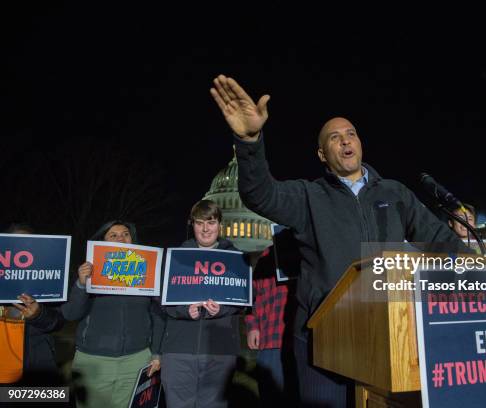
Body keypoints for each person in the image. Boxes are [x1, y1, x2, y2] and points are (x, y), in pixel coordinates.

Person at [210, 75, 468, 407]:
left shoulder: (395, 193)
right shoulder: (309, 196)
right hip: (324, 340)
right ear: (322, 154)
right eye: (335, 137)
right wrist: (249, 141)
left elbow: (440, 240)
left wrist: (478, 275)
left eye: (351, 134)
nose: (346, 141)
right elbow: (261, 194)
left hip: (390, 333)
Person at [61, 221, 164, 408]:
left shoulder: (147, 272)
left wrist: (156, 352)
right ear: (102, 241)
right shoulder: (90, 272)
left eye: (125, 234)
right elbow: (70, 314)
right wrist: (82, 284)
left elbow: (158, 316)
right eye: (113, 235)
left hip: (136, 360)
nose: (121, 239)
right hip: (94, 361)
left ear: (132, 240)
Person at [161, 200, 244, 408]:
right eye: (199, 223)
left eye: (211, 222)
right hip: (179, 350)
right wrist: (184, 310)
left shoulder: (236, 258)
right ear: (192, 225)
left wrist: (222, 309)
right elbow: (162, 301)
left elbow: (241, 301)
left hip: (219, 350)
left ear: (219, 224)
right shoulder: (176, 258)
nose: (205, 229)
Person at [0, 223, 65, 385]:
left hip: (39, 364)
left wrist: (39, 314)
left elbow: (58, 322)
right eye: (15, 243)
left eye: (27, 243)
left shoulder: (48, 281)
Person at [245, 246, 297, 406]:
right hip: (270, 339)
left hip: (298, 341)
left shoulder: (309, 249)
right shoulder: (266, 254)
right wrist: (252, 325)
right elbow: (252, 294)